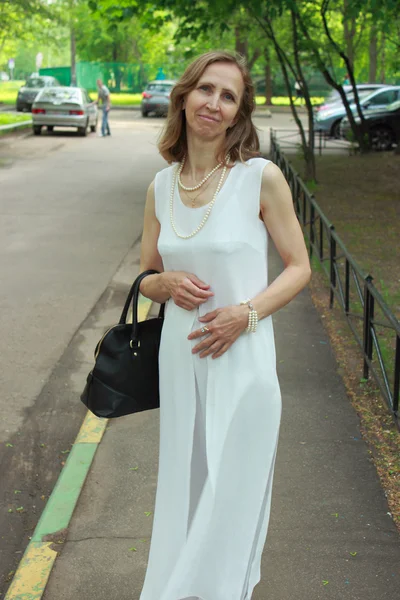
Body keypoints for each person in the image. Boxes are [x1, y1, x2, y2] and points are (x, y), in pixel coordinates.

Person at [138, 50, 311, 600]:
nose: (214, 103)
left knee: (231, 498)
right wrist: (162, 285)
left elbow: (300, 266)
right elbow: (146, 274)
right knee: (187, 489)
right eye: (205, 89)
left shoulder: (261, 178)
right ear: (184, 96)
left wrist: (246, 313)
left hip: (244, 361)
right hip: (180, 360)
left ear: (238, 114)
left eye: (228, 95)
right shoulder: (159, 187)